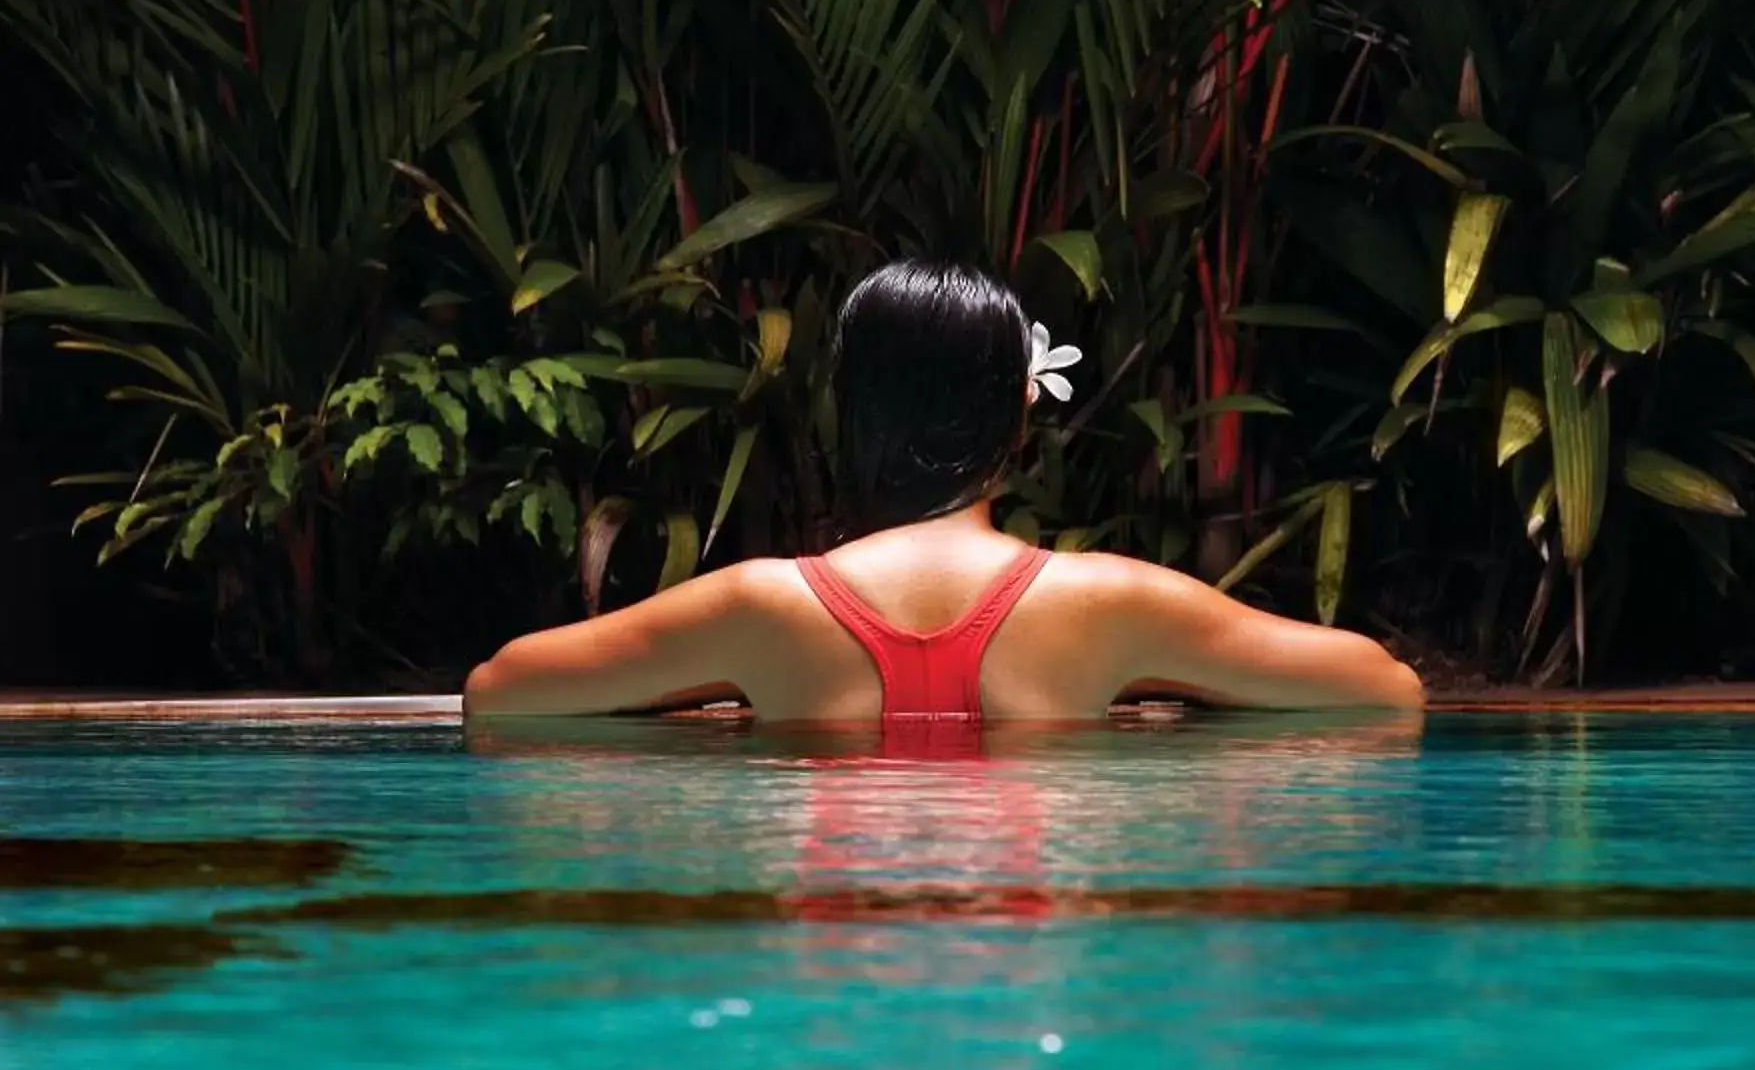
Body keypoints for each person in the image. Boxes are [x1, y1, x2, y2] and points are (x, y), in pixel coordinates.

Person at [462, 261, 1423, 724]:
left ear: (854, 410)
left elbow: (498, 696)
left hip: (840, 959)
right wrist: (1179, 695)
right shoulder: (1113, 606)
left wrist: (693, 705)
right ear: (1020, 410)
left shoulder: (759, 609)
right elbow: (1387, 692)